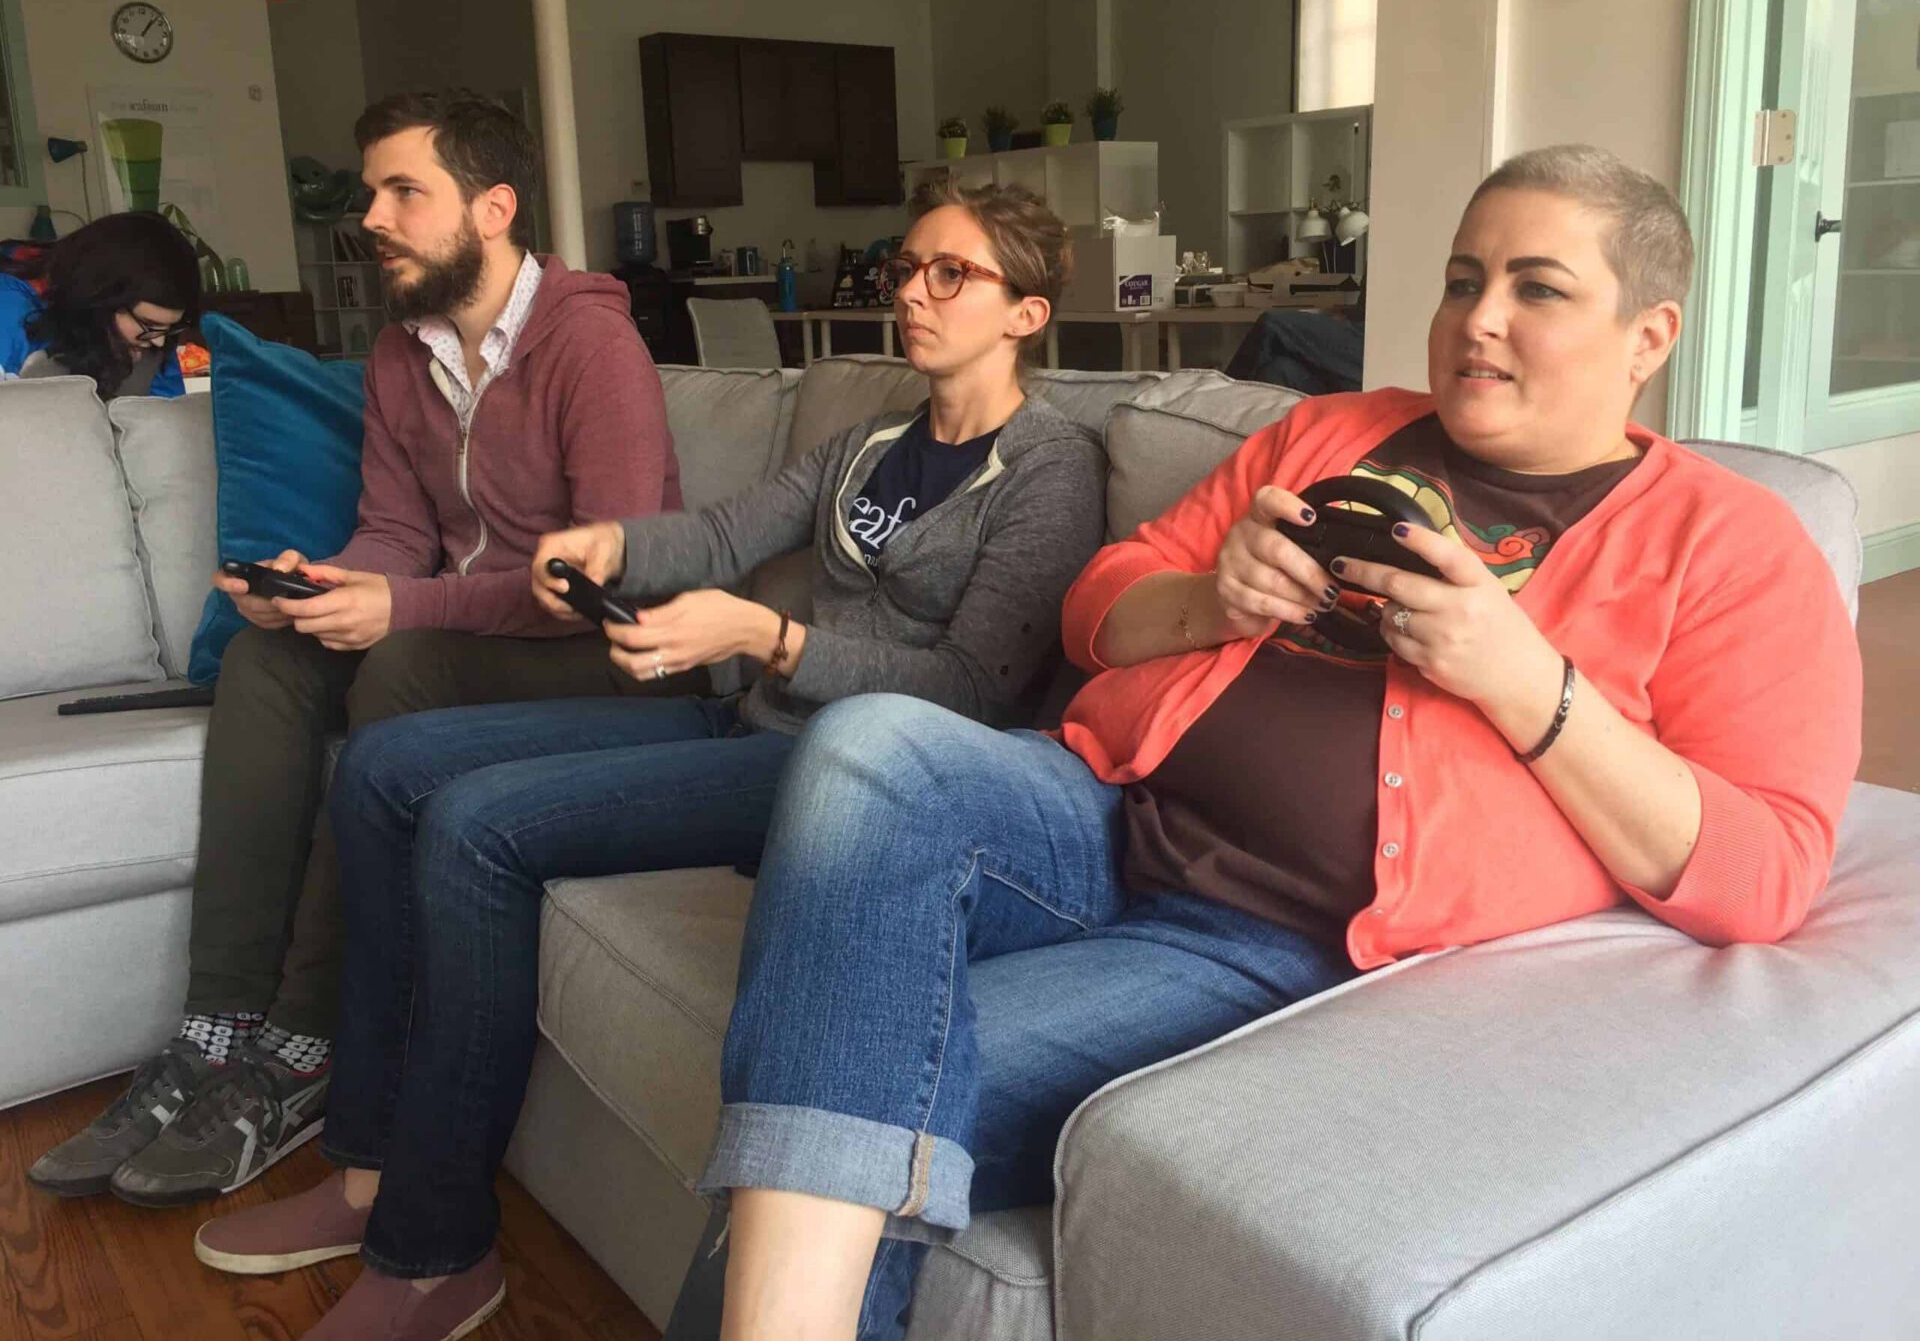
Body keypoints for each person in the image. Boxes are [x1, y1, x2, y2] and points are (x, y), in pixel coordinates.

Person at [670, 144, 1864, 1340]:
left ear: (1648, 337)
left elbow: (1768, 869)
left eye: (1536, 289)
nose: (1477, 319)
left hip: (1269, 939)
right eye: (1462, 280)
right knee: (869, 744)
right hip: (1103, 812)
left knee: (834, 1082)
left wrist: (1528, 686)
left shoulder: (1732, 547)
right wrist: (1211, 599)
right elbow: (1096, 605)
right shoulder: (1332, 431)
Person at [188, 178, 1109, 1341]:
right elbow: (726, 532)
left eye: (950, 274)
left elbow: (975, 691)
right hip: (749, 720)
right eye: (905, 270)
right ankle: (366, 1164)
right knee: (383, 767)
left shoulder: (1048, 468)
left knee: (474, 826)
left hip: (840, 782)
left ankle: (434, 1250)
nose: (912, 295)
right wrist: (613, 546)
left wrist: (768, 636)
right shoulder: (875, 441)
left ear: (1026, 312)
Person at [28, 90, 683, 1208]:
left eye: (402, 192)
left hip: (612, 660)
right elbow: (396, 534)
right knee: (268, 659)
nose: (371, 217)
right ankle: (216, 1022)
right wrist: (325, 585)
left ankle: (305, 1042)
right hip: (466, 634)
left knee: (403, 663)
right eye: (372, 191)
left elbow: (605, 583)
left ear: (492, 209)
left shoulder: (593, 345)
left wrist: (403, 609)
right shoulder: (399, 353)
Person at [0, 211, 200, 398]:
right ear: (101, 298)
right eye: (148, 324)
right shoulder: (10, 311)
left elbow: (164, 409)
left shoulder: (151, 333)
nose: (159, 342)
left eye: (171, 328)